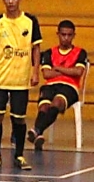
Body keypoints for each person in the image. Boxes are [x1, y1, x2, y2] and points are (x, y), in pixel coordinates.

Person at [0, 0, 42, 170]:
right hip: (0, 78)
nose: (11, 1)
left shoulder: (30, 21)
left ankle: (19, 155)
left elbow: (36, 48)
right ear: (3, 0)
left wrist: (35, 71)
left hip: (20, 79)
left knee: (19, 118)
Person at [27, 20, 88, 151]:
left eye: (69, 35)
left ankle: (37, 129)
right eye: (63, 34)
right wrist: (67, 70)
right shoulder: (50, 52)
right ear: (58, 34)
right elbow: (47, 74)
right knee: (44, 106)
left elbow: (78, 72)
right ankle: (38, 134)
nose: (66, 38)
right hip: (50, 85)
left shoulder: (80, 52)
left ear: (73, 35)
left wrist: (58, 68)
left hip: (69, 87)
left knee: (57, 103)